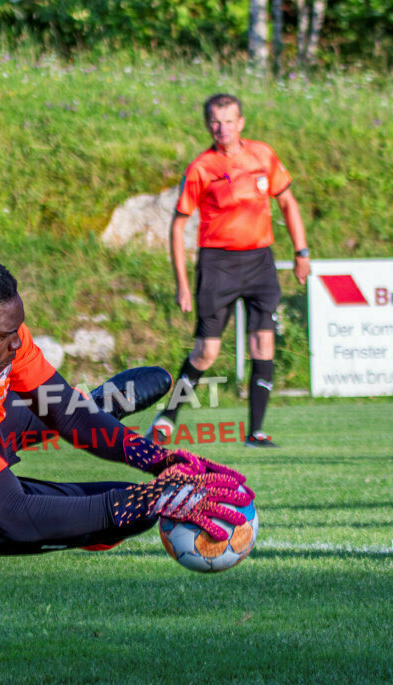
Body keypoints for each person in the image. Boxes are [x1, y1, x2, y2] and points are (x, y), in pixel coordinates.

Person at [0, 255, 253, 567]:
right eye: (5, 336)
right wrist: (150, 501)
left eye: (18, 328)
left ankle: (100, 404)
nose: (17, 343)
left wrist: (157, 458)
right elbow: (18, 515)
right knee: (127, 511)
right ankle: (106, 414)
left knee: (68, 410)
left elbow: (66, 413)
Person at [152, 93, 312, 448]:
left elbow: (287, 201)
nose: (221, 128)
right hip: (218, 265)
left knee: (263, 344)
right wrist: (181, 283)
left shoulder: (262, 155)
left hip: (259, 262)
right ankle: (167, 417)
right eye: (214, 121)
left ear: (241, 123)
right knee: (206, 353)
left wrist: (301, 252)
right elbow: (178, 226)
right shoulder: (201, 167)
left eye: (228, 121)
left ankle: (255, 432)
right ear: (207, 124)